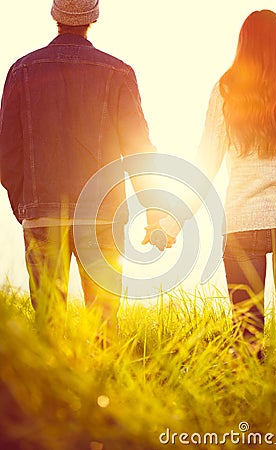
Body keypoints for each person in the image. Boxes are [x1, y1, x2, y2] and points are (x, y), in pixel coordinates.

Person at [0, 0, 164, 337]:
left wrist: (27, 204)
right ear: (94, 18)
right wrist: (153, 212)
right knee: (105, 320)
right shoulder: (118, 72)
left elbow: (7, 152)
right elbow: (138, 149)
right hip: (102, 216)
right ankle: (106, 389)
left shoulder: (23, 70)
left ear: (55, 16)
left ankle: (51, 389)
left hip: (42, 212)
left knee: (48, 321)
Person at [193, 10, 276, 350]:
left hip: (242, 221)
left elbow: (206, 163)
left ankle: (247, 399)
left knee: (247, 335)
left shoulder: (225, 91)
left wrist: (172, 222)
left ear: (243, 45)